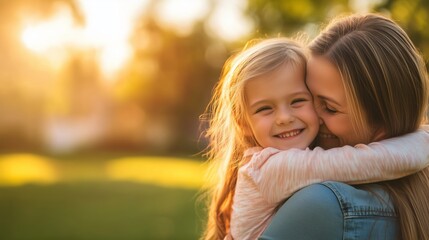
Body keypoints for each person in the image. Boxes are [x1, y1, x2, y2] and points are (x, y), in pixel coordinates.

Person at [200, 36, 429, 239]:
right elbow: (366, 162)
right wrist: (422, 137)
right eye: (264, 109)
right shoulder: (273, 168)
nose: (284, 118)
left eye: (298, 101)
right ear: (243, 125)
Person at [259, 13, 429, 240]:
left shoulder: (320, 206)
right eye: (307, 97)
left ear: (382, 125)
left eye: (329, 107)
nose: (309, 116)